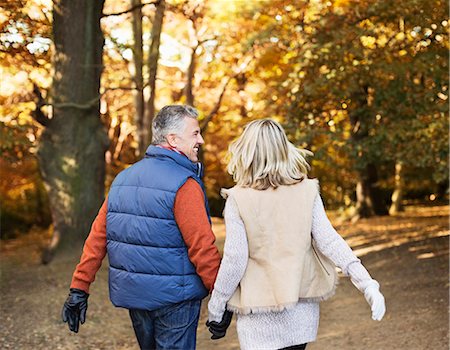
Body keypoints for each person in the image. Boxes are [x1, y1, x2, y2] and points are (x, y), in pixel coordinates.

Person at [206, 119, 386, 350]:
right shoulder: (307, 190)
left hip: (259, 315)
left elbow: (235, 259)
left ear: (247, 151)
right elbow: (329, 241)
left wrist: (217, 306)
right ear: (283, 148)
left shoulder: (238, 199)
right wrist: (367, 283)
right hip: (301, 310)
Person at [62, 105, 221, 350]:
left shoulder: (122, 180)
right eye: (195, 133)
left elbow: (97, 238)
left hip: (136, 297)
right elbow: (203, 248)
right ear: (173, 140)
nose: (200, 139)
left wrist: (79, 288)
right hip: (176, 300)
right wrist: (221, 300)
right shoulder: (185, 184)